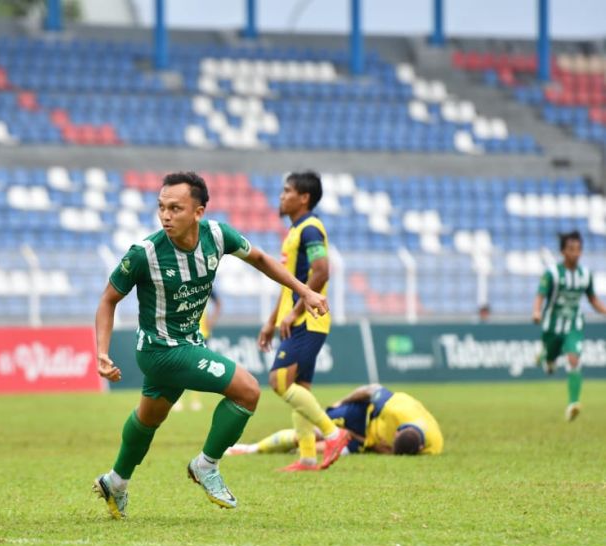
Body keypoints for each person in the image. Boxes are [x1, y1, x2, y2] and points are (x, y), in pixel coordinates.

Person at [93, 171, 328, 519]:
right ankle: (206, 465)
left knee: (148, 419)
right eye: (161, 207)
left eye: (175, 208)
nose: (166, 215)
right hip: (161, 351)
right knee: (248, 390)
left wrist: (305, 290)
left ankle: (115, 481)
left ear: (199, 212)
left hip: (186, 343)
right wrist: (101, 351)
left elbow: (262, 259)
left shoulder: (217, 235)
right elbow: (108, 300)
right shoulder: (145, 254)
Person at [257, 171, 349, 472]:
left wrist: (295, 313)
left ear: (304, 197)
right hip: (297, 318)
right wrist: (272, 320)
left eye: (287, 191)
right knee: (300, 387)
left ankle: (334, 434)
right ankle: (308, 457)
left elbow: (321, 271)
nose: (281, 196)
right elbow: (289, 285)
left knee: (279, 382)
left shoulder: (311, 229)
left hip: (308, 321)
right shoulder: (295, 232)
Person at [227, 385, 443, 457]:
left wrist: (378, 447)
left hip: (365, 440)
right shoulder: (396, 407)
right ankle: (250, 449)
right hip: (359, 415)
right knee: (307, 435)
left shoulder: (434, 445)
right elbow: (371, 389)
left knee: (321, 449)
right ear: (395, 432)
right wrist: (342, 403)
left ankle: (293, 452)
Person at [532, 230, 606, 421]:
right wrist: (536, 311)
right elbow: (540, 295)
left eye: (579, 249)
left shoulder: (585, 275)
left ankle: (573, 404)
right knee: (551, 360)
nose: (576, 253)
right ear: (563, 251)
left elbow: (593, 299)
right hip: (552, 325)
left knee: (574, 359)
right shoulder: (552, 274)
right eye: (572, 249)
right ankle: (547, 357)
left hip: (574, 324)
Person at [173, 289, 221, 412]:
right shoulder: (182, 287)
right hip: (184, 334)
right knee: (180, 367)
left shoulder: (205, 284)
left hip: (202, 334)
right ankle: (178, 400)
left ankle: (195, 401)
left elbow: (218, 302)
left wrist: (212, 320)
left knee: (199, 368)